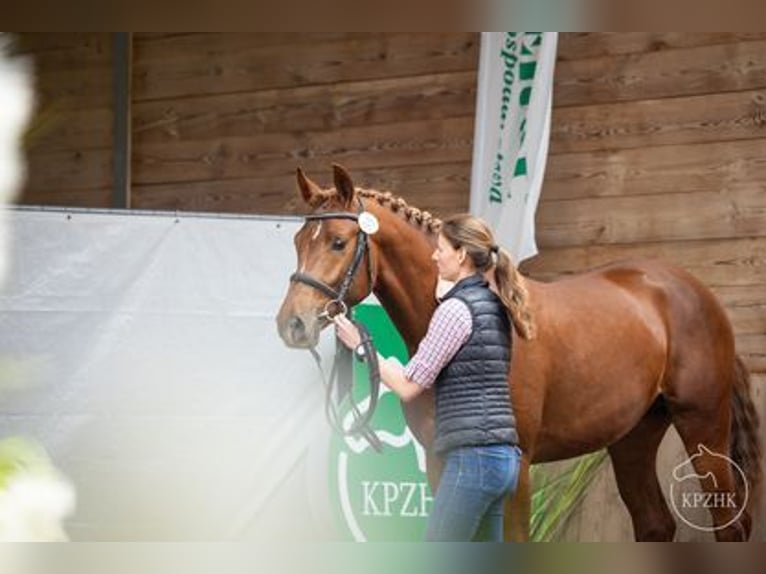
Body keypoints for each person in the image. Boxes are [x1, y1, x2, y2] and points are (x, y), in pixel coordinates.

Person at [333, 213, 535, 541]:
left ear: (461, 254)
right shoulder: (494, 306)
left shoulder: (455, 311)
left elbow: (407, 386)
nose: (434, 255)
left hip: (473, 461)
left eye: (441, 248)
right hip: (503, 460)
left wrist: (361, 346)